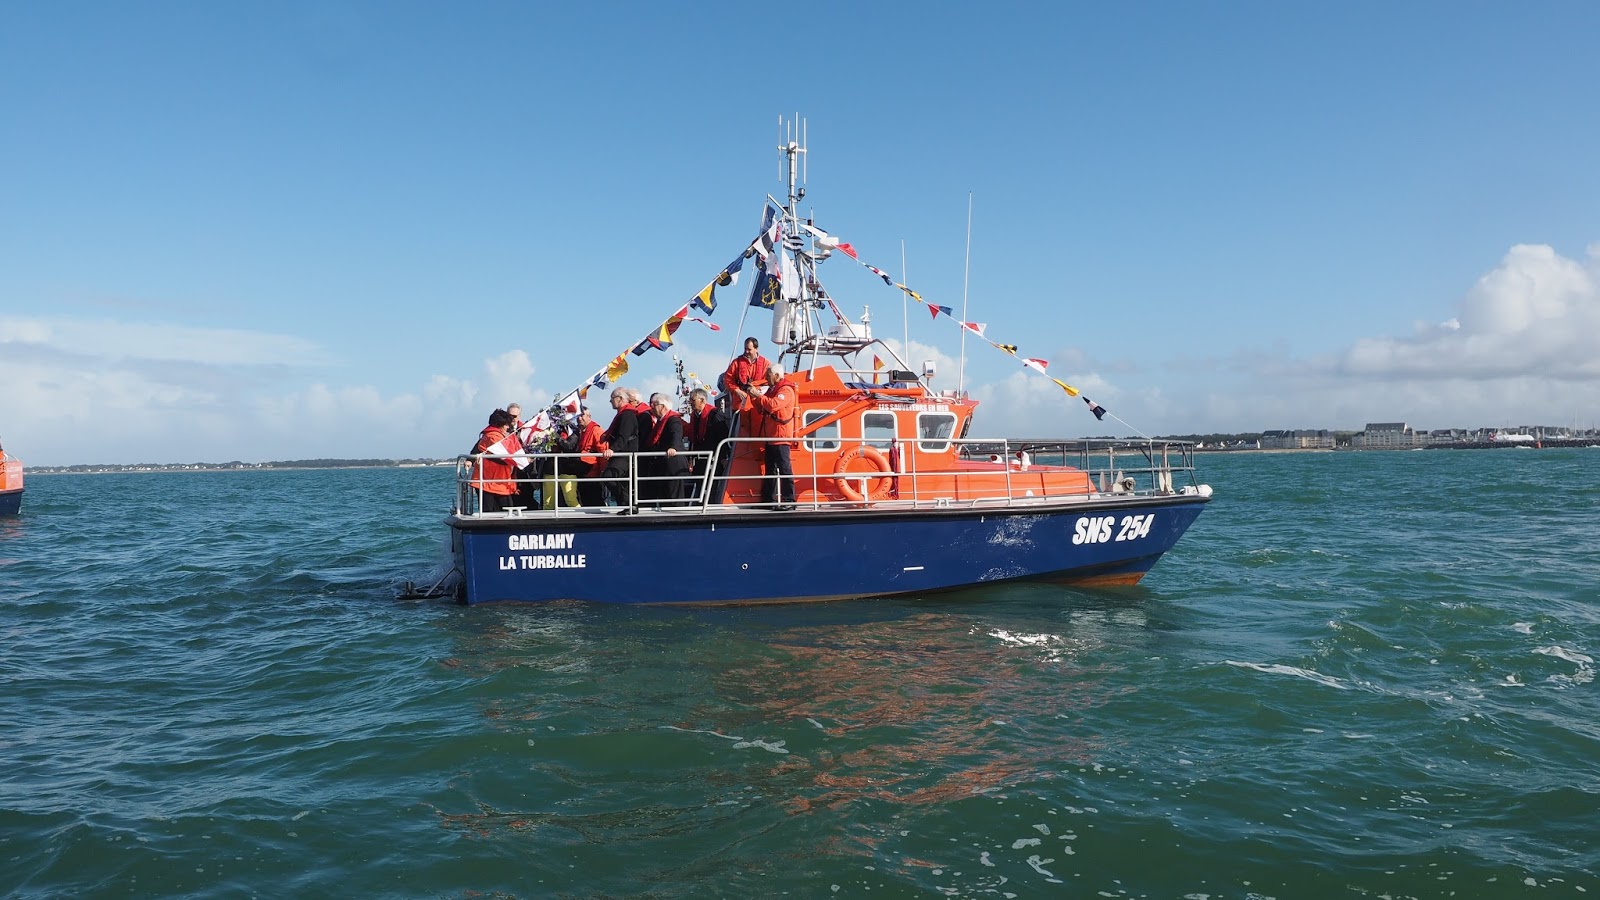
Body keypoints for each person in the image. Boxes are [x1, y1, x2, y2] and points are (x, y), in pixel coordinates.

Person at [734, 363, 797, 509]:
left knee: (784, 469)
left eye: (768, 375)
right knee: (770, 470)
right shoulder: (773, 390)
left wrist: (757, 394)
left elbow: (773, 405)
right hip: (770, 437)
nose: (766, 378)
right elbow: (762, 407)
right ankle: (768, 500)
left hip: (780, 437)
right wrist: (753, 395)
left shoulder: (786, 390)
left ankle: (789, 500)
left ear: (776, 375)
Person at [640, 392, 690, 505]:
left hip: (673, 465)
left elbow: (676, 434)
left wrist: (673, 447)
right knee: (665, 495)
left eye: (654, 405)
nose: (651, 407)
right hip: (663, 465)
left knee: (674, 496)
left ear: (662, 407)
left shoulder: (673, 420)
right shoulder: (661, 421)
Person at [686, 387, 732, 503]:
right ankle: (700, 504)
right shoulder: (694, 416)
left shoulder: (715, 415)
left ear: (702, 400)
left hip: (712, 459)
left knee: (711, 486)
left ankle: (710, 504)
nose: (690, 402)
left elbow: (723, 437)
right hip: (699, 459)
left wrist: (722, 457)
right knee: (699, 484)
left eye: (693, 400)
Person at [469, 408, 520, 513]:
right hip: (491, 482)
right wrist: (521, 460)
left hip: (495, 481)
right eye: (506, 425)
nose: (508, 427)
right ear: (500, 425)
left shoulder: (489, 435)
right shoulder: (494, 437)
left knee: (499, 512)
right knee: (498, 512)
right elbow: (503, 457)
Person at [599, 388, 640, 510]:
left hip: (625, 454)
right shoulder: (624, 414)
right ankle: (626, 505)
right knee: (620, 480)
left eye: (612, 399)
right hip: (622, 453)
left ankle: (628, 503)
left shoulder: (627, 415)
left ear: (620, 399)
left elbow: (623, 436)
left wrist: (612, 449)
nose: (610, 401)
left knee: (609, 476)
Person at [722, 337, 771, 438]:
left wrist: (757, 392)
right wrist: (737, 390)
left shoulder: (765, 363)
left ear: (756, 349)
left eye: (749, 349)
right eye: (745, 349)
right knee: (738, 433)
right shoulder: (736, 363)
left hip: (757, 406)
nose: (746, 351)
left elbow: (769, 382)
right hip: (739, 405)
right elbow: (727, 379)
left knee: (757, 431)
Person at [570, 407, 611, 507]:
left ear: (589, 416)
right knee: (584, 499)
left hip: (592, 472)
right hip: (582, 472)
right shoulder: (578, 431)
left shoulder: (596, 430)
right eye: (578, 416)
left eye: (582, 415)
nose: (579, 418)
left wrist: (603, 471)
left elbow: (603, 451)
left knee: (595, 500)